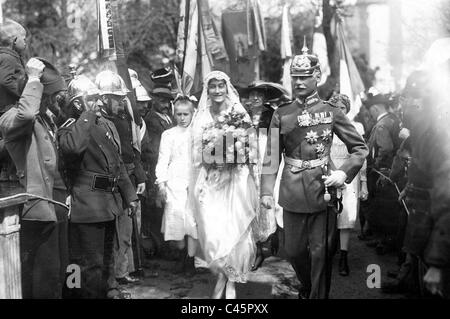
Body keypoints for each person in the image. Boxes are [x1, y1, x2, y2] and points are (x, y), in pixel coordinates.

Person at [260, 45, 368, 299]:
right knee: (295, 251)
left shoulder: (331, 112)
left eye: (304, 76)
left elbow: (359, 148)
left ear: (317, 76)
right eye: (294, 77)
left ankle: (317, 295)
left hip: (323, 190)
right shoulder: (282, 114)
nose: (298, 82)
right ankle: (307, 286)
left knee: (320, 253)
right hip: (293, 191)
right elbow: (271, 157)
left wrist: (343, 173)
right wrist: (266, 191)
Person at [57, 74, 139, 299]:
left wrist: (129, 196)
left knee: (107, 260)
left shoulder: (106, 124)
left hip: (108, 204)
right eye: (92, 98)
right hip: (86, 206)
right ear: (78, 103)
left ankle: (109, 293)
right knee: (88, 267)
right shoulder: (71, 127)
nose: (99, 102)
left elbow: (118, 164)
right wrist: (87, 113)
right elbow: (73, 148)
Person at [0, 57, 69, 298]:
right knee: (43, 279)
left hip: (56, 205)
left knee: (61, 274)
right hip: (36, 210)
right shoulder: (11, 118)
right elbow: (27, 113)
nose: (50, 101)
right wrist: (33, 79)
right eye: (46, 96)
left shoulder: (44, 118)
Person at [190, 70, 258, 299]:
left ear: (227, 88)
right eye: (213, 87)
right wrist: (212, 158)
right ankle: (221, 273)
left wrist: (234, 156)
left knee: (234, 230)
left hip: (235, 180)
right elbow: (195, 152)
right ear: (207, 90)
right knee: (212, 232)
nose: (218, 91)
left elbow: (251, 147)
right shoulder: (201, 117)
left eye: (221, 86)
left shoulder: (238, 113)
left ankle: (229, 281)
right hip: (212, 179)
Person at [95, 70, 145, 284]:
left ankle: (124, 271)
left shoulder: (123, 120)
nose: (121, 104)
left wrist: (140, 177)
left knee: (126, 232)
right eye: (116, 100)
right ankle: (116, 276)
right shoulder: (97, 123)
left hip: (127, 179)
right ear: (104, 99)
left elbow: (132, 151)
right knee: (113, 234)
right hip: (107, 186)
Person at [155, 96, 198, 276]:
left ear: (192, 113)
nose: (182, 118)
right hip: (175, 181)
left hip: (194, 179)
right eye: (179, 114)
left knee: (193, 222)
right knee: (177, 221)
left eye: (186, 114)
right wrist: (161, 183)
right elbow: (163, 159)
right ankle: (181, 256)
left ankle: (190, 261)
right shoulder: (169, 135)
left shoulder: (198, 133)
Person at [328, 93, 368, 276]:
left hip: (348, 176)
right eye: (335, 108)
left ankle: (343, 257)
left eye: (342, 108)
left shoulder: (355, 127)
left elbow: (361, 156)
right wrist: (331, 171)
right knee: (328, 216)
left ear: (347, 109)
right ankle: (327, 252)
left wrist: (364, 182)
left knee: (345, 217)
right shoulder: (325, 125)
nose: (339, 111)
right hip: (328, 174)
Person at [364, 94, 402, 254]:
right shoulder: (393, 119)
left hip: (383, 172)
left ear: (375, 108)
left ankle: (385, 242)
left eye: (370, 111)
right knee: (389, 207)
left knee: (383, 207)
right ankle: (383, 239)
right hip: (393, 170)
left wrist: (376, 165)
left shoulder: (382, 124)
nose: (371, 114)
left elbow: (385, 148)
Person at [141, 85, 174, 256]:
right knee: (156, 209)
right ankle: (159, 248)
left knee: (164, 209)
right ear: (154, 100)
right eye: (162, 100)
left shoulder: (169, 118)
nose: (166, 104)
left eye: (168, 101)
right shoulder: (151, 120)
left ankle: (165, 246)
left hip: (169, 169)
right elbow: (153, 149)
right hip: (156, 169)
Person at [0, 19, 28, 181]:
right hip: (9, 108)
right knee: (17, 140)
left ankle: (10, 173)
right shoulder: (9, 58)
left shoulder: (8, 56)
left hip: (8, 107)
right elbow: (4, 80)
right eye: (23, 38)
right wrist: (24, 93)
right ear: (14, 40)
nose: (25, 42)